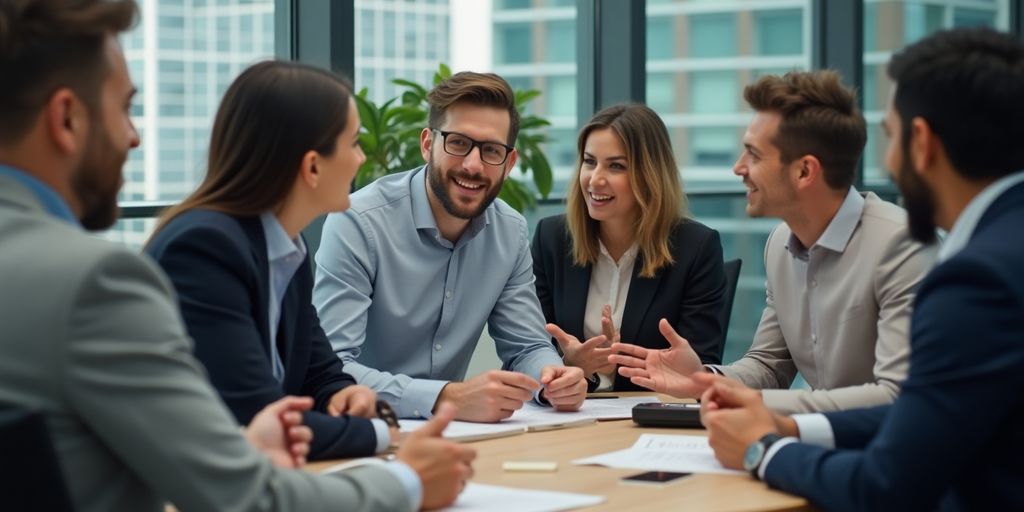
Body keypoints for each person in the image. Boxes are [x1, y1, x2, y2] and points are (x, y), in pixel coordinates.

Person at [0, 1, 473, 510]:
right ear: (67, 118)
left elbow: (313, 383)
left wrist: (323, 414)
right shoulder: (100, 279)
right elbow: (243, 493)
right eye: (125, 108)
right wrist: (408, 480)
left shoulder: (287, 250)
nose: (133, 136)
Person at [695, 27, 1024, 511]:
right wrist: (776, 420)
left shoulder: (976, 279)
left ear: (922, 142)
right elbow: (929, 411)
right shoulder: (1000, 248)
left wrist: (764, 449)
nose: (887, 161)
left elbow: (887, 482)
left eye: (891, 137)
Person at [612, 70, 937, 414]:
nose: (738, 168)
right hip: (823, 442)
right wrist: (704, 379)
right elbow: (769, 365)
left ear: (804, 171)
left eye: (753, 154)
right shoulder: (780, 243)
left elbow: (896, 395)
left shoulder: (902, 244)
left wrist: (752, 402)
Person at [145, 61, 392, 461]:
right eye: (353, 143)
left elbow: (320, 372)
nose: (361, 158)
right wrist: (379, 434)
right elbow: (258, 418)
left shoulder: (284, 245)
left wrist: (346, 394)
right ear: (312, 166)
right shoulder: (204, 249)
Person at [313, 71, 586, 421]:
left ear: (509, 163)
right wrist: (445, 397)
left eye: (491, 150)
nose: (473, 165)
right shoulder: (357, 222)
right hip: (362, 431)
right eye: (458, 143)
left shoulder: (510, 231)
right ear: (428, 144)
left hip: (451, 437)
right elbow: (331, 368)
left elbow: (527, 346)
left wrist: (553, 378)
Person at [531, 103, 726, 391]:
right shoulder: (552, 238)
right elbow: (528, 349)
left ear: (650, 174)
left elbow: (701, 369)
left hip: (649, 417)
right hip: (570, 414)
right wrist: (569, 364)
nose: (595, 179)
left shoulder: (696, 249)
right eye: (589, 161)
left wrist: (623, 367)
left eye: (616, 166)